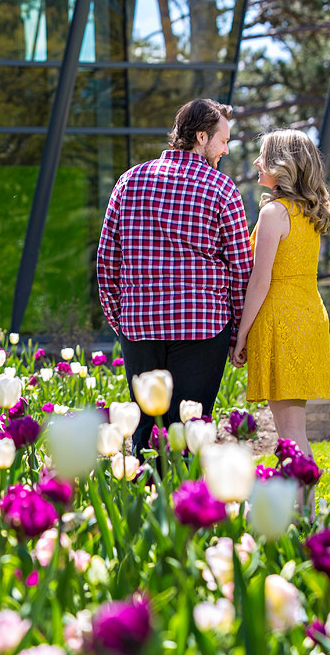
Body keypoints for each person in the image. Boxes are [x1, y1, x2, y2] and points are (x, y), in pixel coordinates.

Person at [97, 98, 254, 453]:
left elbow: (107, 260)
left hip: (141, 328)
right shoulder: (222, 189)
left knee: (146, 434)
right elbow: (241, 270)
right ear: (201, 137)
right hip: (202, 330)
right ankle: (183, 505)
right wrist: (236, 336)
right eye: (223, 141)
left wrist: (122, 321)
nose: (226, 150)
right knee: (187, 434)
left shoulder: (129, 181)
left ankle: (141, 500)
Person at [230, 129, 330, 459]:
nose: (256, 163)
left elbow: (260, 281)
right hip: (307, 317)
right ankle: (301, 506)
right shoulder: (307, 212)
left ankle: (305, 508)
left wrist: (241, 337)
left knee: (289, 433)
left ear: (282, 164)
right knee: (293, 428)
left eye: (263, 156)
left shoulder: (273, 213)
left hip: (282, 322)